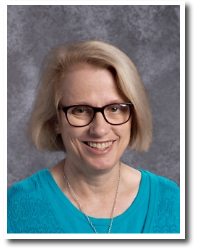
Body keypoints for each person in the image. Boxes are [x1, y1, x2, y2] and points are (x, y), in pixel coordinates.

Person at [7, 40, 180, 234]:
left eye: (115, 108)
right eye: (80, 110)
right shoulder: (16, 209)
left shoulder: (173, 202)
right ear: (55, 121)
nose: (100, 129)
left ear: (134, 117)